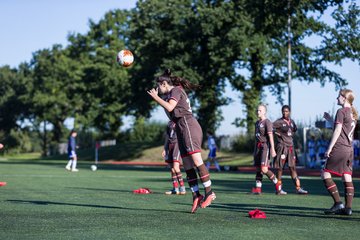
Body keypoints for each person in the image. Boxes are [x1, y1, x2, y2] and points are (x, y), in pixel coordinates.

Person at [147, 69, 215, 213]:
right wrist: (160, 100)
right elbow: (170, 112)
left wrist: (156, 98)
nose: (157, 89)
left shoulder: (176, 90)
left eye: (159, 86)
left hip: (188, 125)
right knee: (188, 165)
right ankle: (196, 195)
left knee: (197, 161)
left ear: (164, 84)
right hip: (181, 127)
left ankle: (209, 193)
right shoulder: (169, 95)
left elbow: (171, 107)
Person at [322, 89, 358, 216]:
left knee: (325, 174)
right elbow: (343, 129)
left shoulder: (341, 111)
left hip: (339, 148)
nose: (337, 98)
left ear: (344, 98)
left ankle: (338, 203)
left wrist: (329, 148)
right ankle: (348, 208)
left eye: (339, 96)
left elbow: (337, 132)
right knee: (346, 176)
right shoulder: (353, 113)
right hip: (349, 149)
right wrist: (331, 120)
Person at [273, 105, 308, 195]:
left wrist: (288, 136)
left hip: (291, 147)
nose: (285, 113)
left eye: (287, 111)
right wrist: (278, 134)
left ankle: (298, 188)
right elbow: (270, 128)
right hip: (282, 147)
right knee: (280, 168)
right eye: (283, 111)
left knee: (292, 167)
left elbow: (294, 130)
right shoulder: (279, 122)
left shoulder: (292, 122)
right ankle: (279, 189)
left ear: (290, 112)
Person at [251, 104, 279, 194]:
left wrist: (273, 149)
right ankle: (258, 189)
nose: (258, 112)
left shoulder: (267, 122)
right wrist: (254, 151)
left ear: (264, 112)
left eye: (260, 110)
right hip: (258, 148)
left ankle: (277, 184)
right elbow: (256, 138)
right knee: (258, 169)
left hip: (265, 147)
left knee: (264, 169)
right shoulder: (257, 123)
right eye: (257, 110)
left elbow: (271, 136)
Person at [162, 120, 186, 195]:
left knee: (176, 168)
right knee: (172, 169)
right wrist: (165, 148)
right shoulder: (169, 123)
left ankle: (182, 188)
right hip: (170, 145)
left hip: (177, 145)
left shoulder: (180, 121)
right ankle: (175, 189)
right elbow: (167, 136)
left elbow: (184, 134)